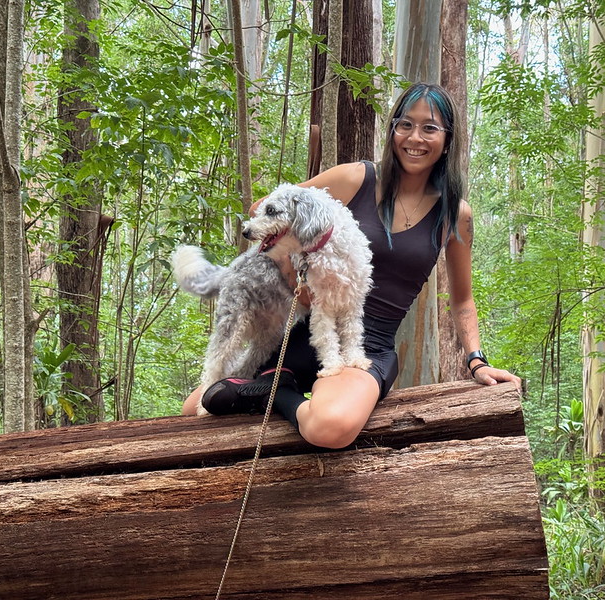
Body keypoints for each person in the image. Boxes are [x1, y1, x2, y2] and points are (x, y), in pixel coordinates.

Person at [180, 82, 521, 447]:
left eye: (430, 128)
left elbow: (462, 301)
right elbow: (264, 209)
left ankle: (271, 392)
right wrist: (296, 271)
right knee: (195, 406)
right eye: (405, 124)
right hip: (313, 326)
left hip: (368, 344)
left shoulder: (455, 214)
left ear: (448, 138)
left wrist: (477, 361)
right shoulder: (355, 178)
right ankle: (277, 382)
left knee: (329, 427)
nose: (415, 137)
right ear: (393, 130)